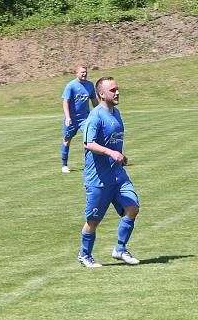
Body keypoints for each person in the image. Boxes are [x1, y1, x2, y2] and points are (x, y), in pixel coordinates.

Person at [77, 76, 140, 268]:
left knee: (132, 207)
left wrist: (120, 155)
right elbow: (88, 143)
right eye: (113, 90)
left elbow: (113, 141)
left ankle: (120, 249)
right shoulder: (94, 117)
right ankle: (84, 254)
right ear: (101, 94)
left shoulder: (117, 113)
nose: (117, 92)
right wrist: (111, 152)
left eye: (117, 89)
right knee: (93, 220)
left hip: (118, 176)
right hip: (98, 179)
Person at [60, 66, 99, 173]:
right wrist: (68, 117)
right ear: (76, 73)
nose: (84, 74)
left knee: (89, 139)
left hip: (85, 118)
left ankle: (90, 164)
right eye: (82, 72)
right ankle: (64, 165)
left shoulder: (90, 85)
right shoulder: (71, 86)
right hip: (72, 118)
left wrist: (100, 113)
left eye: (86, 72)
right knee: (67, 140)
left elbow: (94, 101)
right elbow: (65, 102)